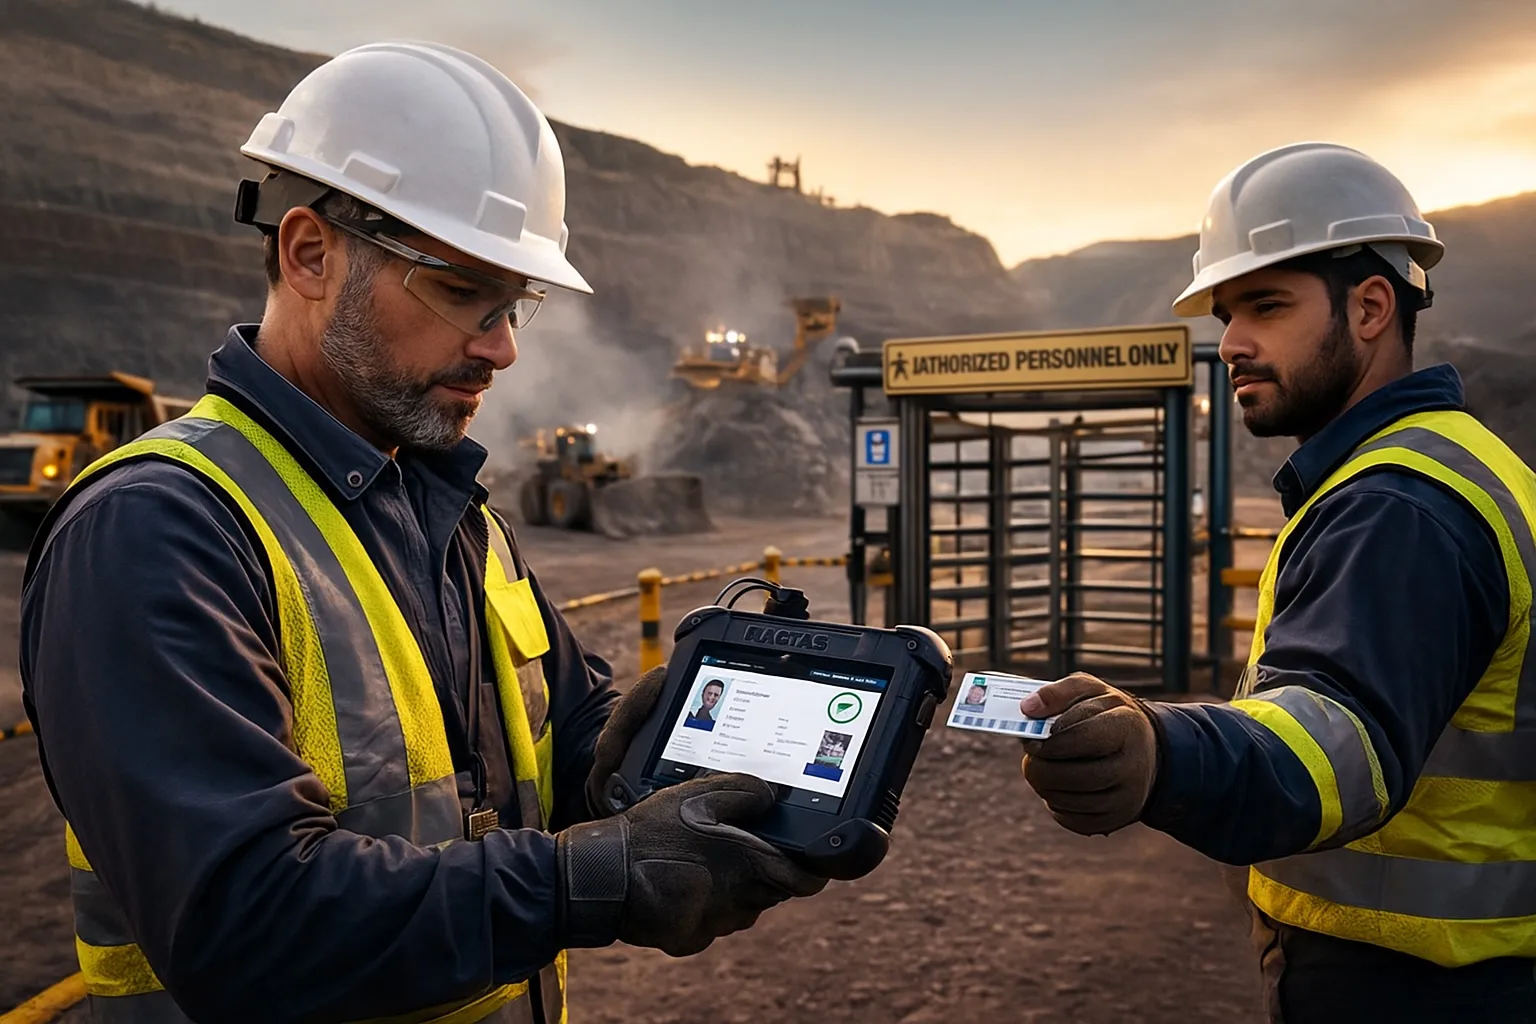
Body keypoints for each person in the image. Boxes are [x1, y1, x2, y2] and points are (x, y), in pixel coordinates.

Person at [19, 42, 824, 1024]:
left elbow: (537, 769)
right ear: (309, 253)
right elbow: (245, 925)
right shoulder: (157, 529)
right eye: (460, 291)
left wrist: (629, 771)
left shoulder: (456, 513)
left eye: (514, 300)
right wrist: (590, 879)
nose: (505, 345)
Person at [1016, 142, 1536, 1023]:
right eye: (1226, 314)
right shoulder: (1443, 470)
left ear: (1372, 307)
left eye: (1266, 306)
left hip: (1422, 987)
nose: (1231, 344)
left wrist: (1160, 750)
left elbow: (1338, 742)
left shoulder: (1400, 505)